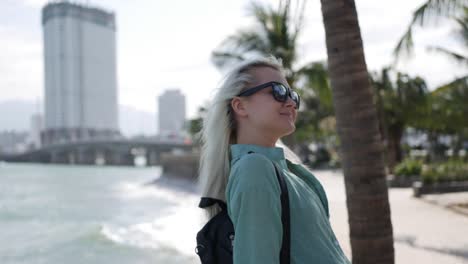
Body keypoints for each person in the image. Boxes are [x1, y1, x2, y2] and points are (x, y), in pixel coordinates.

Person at [198, 56, 350, 263]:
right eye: (277, 91)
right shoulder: (254, 169)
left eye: (293, 95)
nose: (291, 103)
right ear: (240, 106)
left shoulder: (286, 170)